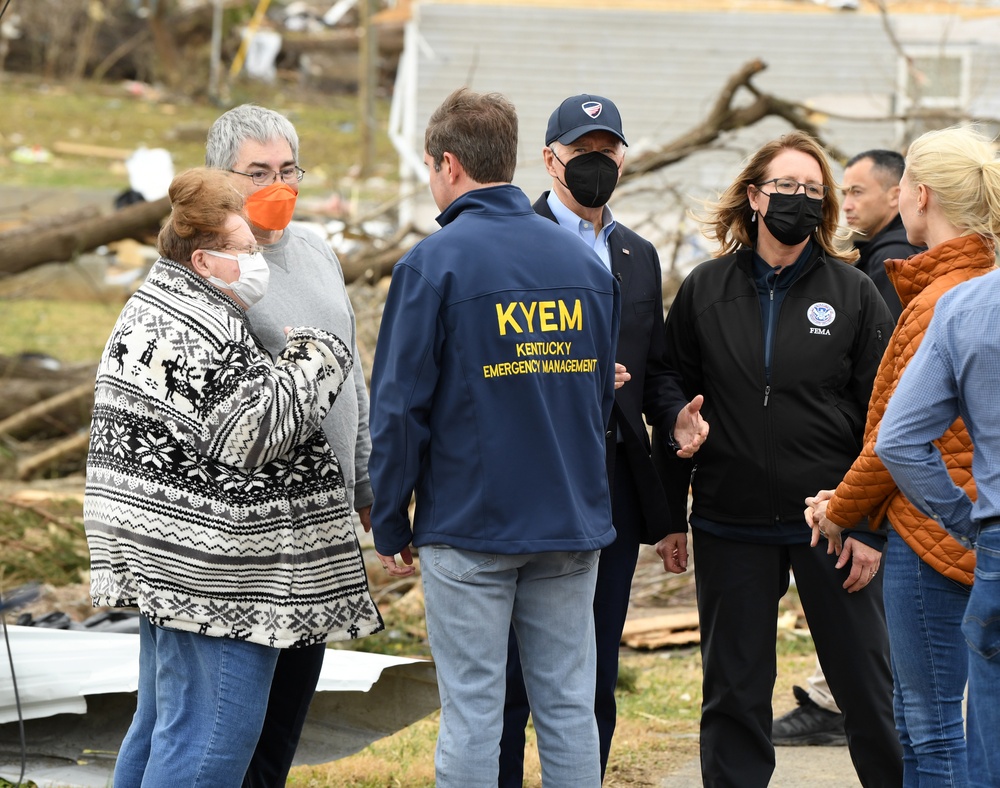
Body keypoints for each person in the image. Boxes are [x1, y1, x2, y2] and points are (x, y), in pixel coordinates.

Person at [84, 168, 382, 788]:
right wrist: (319, 354)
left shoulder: (163, 299)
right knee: (212, 743)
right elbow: (253, 433)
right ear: (205, 258)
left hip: (164, 555)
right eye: (245, 250)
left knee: (164, 725)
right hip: (215, 574)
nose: (256, 261)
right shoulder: (201, 325)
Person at [368, 87, 619, 788]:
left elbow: (398, 407)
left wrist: (390, 518)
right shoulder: (586, 268)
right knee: (569, 705)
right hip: (570, 521)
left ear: (448, 164)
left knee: (475, 710)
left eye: (427, 166)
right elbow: (596, 400)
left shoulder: (434, 263)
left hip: (470, 523)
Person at [653, 131, 902, 787]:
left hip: (833, 523)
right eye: (786, 187)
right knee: (733, 697)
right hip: (728, 521)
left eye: (813, 191)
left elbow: (884, 421)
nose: (799, 199)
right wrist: (669, 514)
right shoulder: (706, 289)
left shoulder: (853, 294)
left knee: (869, 694)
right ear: (755, 196)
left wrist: (869, 526)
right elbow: (671, 387)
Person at [499, 93, 708, 783]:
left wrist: (673, 413)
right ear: (549, 158)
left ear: (624, 158)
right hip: (528, 480)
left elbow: (653, 372)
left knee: (594, 665)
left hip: (612, 485)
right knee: (510, 674)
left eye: (607, 151)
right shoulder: (505, 243)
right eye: (583, 152)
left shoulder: (637, 255)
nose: (597, 164)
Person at [809, 125, 999, 785]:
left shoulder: (940, 302)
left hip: (932, 534)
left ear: (919, 196)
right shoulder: (977, 285)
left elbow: (894, 436)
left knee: (930, 727)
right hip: (966, 525)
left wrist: (842, 508)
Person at [204, 103, 376, 788]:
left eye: (288, 169)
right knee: (232, 729)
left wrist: (365, 479)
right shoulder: (218, 269)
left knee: (282, 730)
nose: (278, 184)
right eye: (258, 172)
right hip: (255, 537)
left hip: (324, 527)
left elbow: (352, 368)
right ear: (223, 177)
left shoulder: (315, 249)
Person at [773, 148, 922, 747]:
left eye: (859, 191)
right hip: (870, 491)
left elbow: (882, 407)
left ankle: (843, 707)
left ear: (900, 196)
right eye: (847, 190)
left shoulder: (883, 275)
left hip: (871, 491)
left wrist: (857, 516)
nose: (849, 202)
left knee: (869, 630)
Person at [877, 241, 1000, 788]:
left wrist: (968, 522)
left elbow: (898, 440)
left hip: (993, 536)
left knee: (979, 746)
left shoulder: (967, 306)